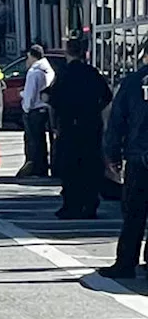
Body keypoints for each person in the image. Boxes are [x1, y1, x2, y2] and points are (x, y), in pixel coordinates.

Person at [48, 38, 113, 219]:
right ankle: (90, 204)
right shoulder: (92, 73)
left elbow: (54, 99)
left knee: (70, 168)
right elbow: (107, 96)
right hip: (90, 126)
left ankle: (71, 205)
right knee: (91, 165)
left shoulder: (64, 74)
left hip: (69, 126)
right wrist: (94, 110)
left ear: (68, 52)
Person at [102, 45, 148, 278]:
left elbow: (117, 121)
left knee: (134, 214)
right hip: (139, 154)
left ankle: (126, 262)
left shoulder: (132, 83)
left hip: (139, 158)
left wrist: (112, 154)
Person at [21, 44, 56, 177]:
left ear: (31, 56)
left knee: (34, 141)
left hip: (35, 110)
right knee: (45, 140)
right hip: (46, 108)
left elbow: (30, 93)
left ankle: (36, 167)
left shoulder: (33, 72)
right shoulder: (49, 70)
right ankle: (46, 167)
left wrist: (26, 106)